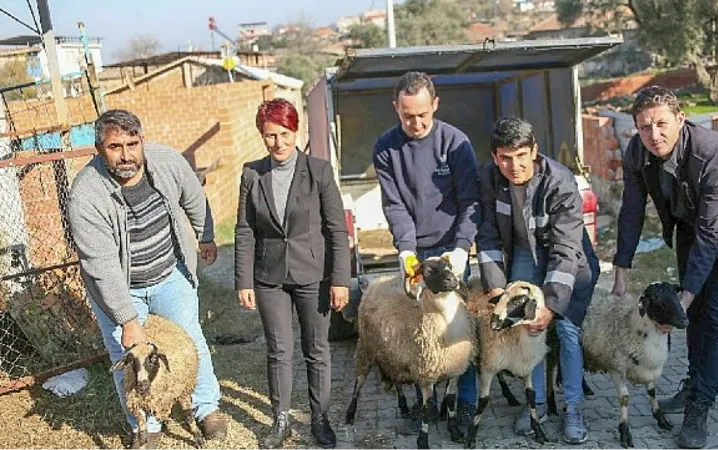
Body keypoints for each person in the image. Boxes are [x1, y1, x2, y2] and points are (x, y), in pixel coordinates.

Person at [612, 86, 718, 449]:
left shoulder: (712, 153)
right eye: (645, 127)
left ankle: (700, 406)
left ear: (681, 119)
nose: (654, 135)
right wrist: (621, 271)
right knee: (693, 318)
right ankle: (692, 385)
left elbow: (712, 233)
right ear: (636, 127)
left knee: (717, 319)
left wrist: (686, 296)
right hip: (690, 229)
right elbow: (631, 210)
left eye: (662, 124)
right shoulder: (638, 151)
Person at [68, 109, 227, 450]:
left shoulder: (166, 162)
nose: (126, 154)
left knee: (190, 342)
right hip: (119, 289)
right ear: (99, 149)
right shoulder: (86, 195)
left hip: (169, 274)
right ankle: (146, 423)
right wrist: (127, 320)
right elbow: (100, 264)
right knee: (127, 357)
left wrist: (206, 234)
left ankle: (205, 407)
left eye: (132, 143)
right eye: (115, 146)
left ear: (142, 141)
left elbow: (193, 195)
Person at [476, 117, 600, 445]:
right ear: (494, 157)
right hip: (522, 253)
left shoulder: (560, 181)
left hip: (568, 261)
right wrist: (497, 287)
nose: (513, 165)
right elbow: (487, 234)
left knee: (565, 330)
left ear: (534, 151)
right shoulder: (488, 179)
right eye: (504, 157)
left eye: (520, 156)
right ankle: (538, 403)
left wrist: (553, 305)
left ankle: (573, 407)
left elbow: (566, 248)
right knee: (528, 331)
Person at [235, 98, 350, 449]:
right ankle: (280, 420)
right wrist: (244, 281)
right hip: (269, 277)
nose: (278, 143)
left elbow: (337, 230)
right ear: (262, 136)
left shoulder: (318, 171)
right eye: (270, 136)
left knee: (316, 349)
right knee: (278, 350)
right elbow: (244, 230)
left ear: (295, 131)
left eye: (284, 134)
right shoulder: (252, 174)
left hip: (314, 274)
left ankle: (319, 418)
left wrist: (341, 279)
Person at [372, 71, 480, 437]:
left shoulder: (456, 143)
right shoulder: (386, 148)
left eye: (422, 115)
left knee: (459, 332)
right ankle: (427, 402)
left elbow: (470, 202)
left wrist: (462, 249)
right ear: (395, 109)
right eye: (407, 116)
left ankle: (464, 405)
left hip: (451, 252)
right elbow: (395, 205)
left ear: (435, 104)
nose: (415, 124)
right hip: (416, 252)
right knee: (420, 332)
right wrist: (405, 251)